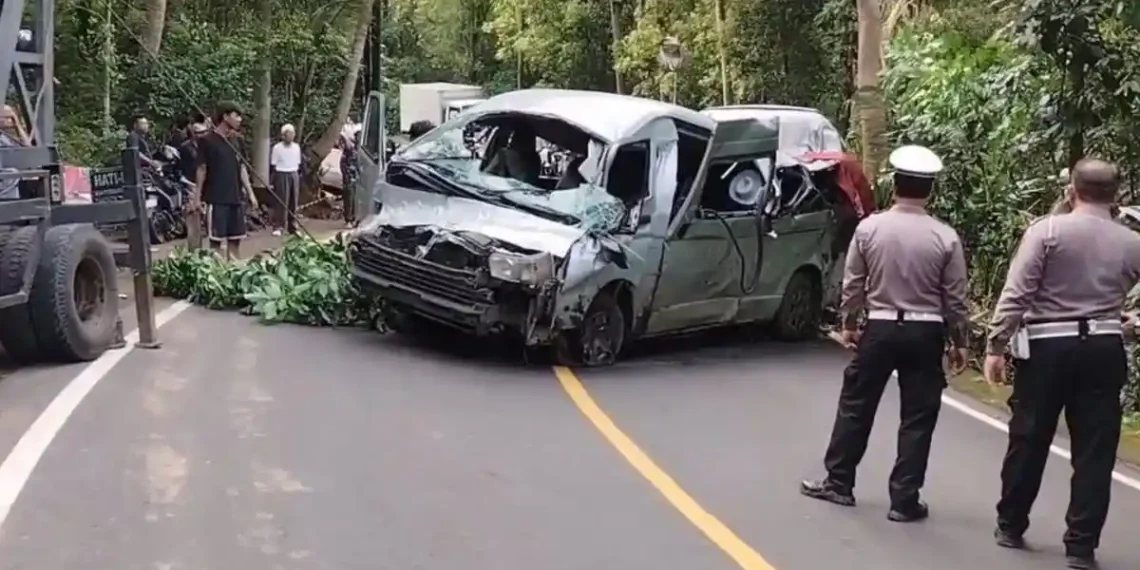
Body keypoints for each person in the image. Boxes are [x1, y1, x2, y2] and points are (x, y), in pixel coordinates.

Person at [800, 145, 969, 523]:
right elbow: (955, 297)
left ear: (894, 184)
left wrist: (848, 323)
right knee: (918, 415)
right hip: (927, 332)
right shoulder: (945, 236)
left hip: (881, 325)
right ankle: (904, 500)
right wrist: (960, 342)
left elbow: (853, 281)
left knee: (857, 404)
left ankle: (839, 482)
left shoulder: (870, 227)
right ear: (930, 190)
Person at [984, 158, 1138, 570]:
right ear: (1115, 197)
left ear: (1072, 190)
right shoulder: (1132, 242)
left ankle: (1011, 524)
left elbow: (1017, 293)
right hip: (1103, 351)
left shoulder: (1047, 231)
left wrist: (996, 345)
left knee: (1030, 435)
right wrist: (1130, 324)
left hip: (1048, 347)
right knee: (1095, 449)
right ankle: (1081, 547)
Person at [193, 102, 256, 260]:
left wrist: (251, 193)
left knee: (236, 240)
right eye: (236, 115)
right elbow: (202, 169)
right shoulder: (207, 141)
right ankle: (218, 273)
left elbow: (241, 168)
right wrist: (197, 198)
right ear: (225, 116)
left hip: (236, 198)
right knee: (216, 242)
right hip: (216, 199)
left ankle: (234, 271)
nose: (240, 119)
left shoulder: (237, 141)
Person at [270, 124, 302, 235]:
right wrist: (273, 180)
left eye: (293, 133)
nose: (291, 136)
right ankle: (278, 226)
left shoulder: (296, 147)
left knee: (294, 201)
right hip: (281, 173)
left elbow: (298, 163)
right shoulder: (277, 148)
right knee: (282, 201)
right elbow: (273, 165)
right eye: (289, 134)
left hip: (293, 173)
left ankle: (293, 226)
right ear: (283, 136)